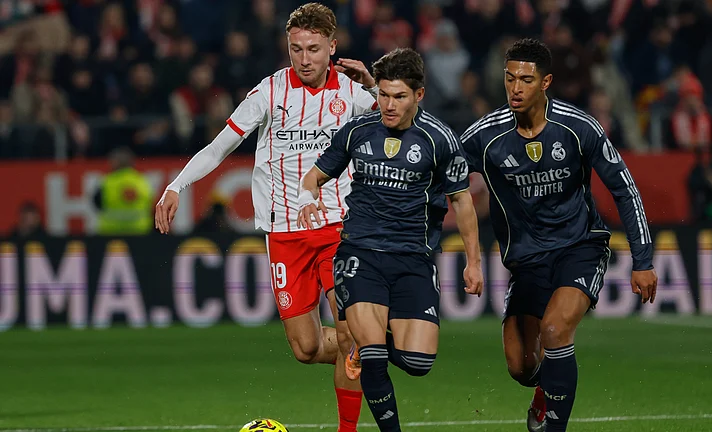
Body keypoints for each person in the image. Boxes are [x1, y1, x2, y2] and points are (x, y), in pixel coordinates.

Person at [154, 4, 378, 431]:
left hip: (339, 229)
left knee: (348, 330)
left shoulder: (353, 93)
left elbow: (412, 123)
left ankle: (348, 418)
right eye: (296, 49)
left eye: (314, 49)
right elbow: (219, 147)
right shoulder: (269, 92)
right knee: (306, 348)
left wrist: (375, 84)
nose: (305, 58)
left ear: (333, 47)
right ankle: (372, 345)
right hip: (284, 234)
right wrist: (175, 185)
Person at [460, 38, 658, 432]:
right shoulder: (486, 135)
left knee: (554, 330)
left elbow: (624, 189)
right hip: (527, 262)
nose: (516, 88)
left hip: (579, 247)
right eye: (510, 78)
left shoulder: (578, 126)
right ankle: (544, 390)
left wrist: (644, 260)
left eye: (526, 80)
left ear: (546, 82)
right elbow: (439, 170)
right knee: (522, 366)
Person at [298, 47, 484, 432]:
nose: (388, 104)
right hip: (360, 254)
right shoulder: (357, 130)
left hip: (413, 258)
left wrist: (474, 261)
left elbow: (461, 200)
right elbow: (314, 176)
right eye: (383, 94)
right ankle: (368, 353)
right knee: (374, 357)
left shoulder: (439, 139)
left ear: (419, 95)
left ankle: (369, 340)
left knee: (418, 363)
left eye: (399, 96)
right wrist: (307, 199)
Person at [94, 147, 153, 236]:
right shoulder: (142, 181)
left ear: (116, 162)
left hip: (112, 231)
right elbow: (150, 203)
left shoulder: (107, 182)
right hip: (139, 230)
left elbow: (97, 203)